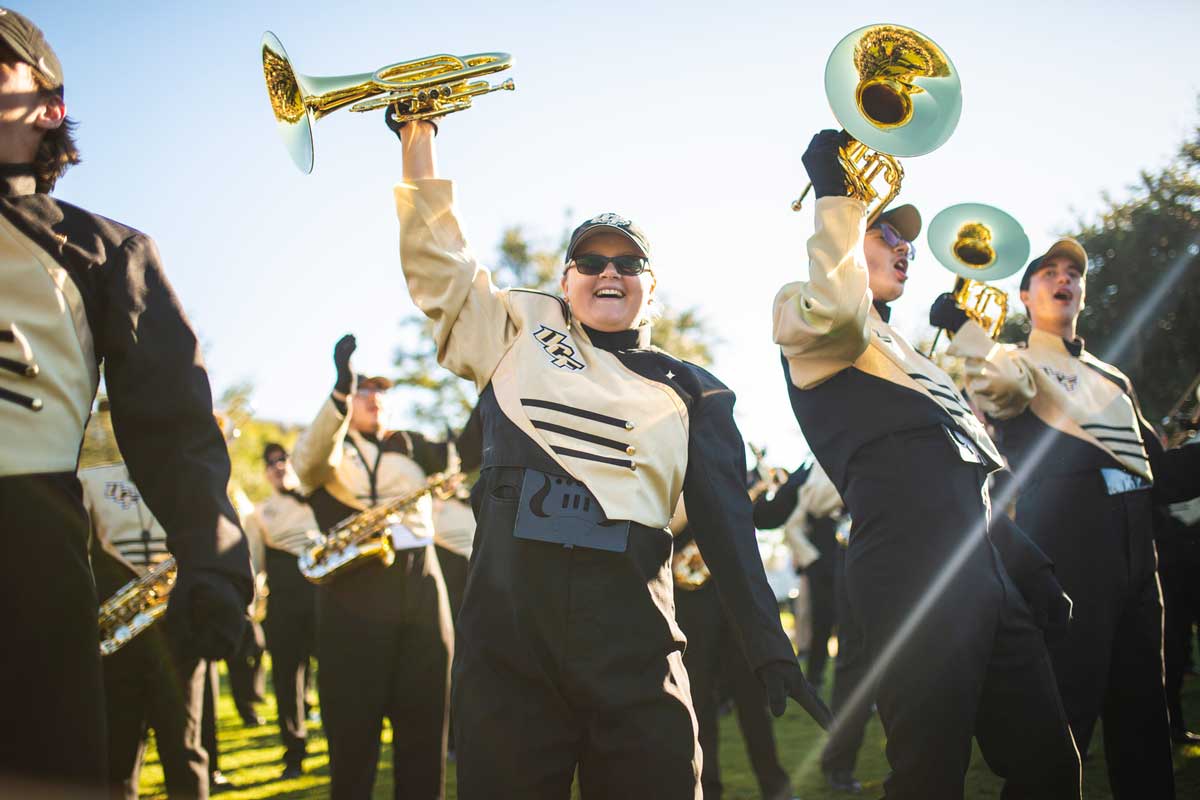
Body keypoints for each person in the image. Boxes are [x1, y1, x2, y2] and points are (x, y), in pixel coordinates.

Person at [393, 114, 829, 800]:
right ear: (566, 280)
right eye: (591, 263)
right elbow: (441, 264)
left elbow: (725, 524)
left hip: (633, 640)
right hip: (510, 640)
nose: (609, 273)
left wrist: (768, 643)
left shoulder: (696, 390)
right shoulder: (516, 329)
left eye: (628, 265)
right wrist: (418, 139)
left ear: (650, 288)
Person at [771, 129, 1080, 799]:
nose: (903, 245)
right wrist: (835, 195)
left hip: (985, 569)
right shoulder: (807, 309)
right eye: (884, 232)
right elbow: (840, 313)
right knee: (928, 778)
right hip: (911, 570)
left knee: (1052, 768)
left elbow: (967, 473)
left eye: (904, 238)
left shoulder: (910, 354)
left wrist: (1027, 565)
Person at [0, 9, 252, 793]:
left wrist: (215, 566)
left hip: (24, 561)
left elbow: (175, 431)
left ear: (46, 108)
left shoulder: (105, 252)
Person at [935, 237, 1200, 797]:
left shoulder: (1113, 377)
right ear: (1026, 296)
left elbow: (1160, 472)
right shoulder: (1016, 358)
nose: (1065, 279)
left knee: (1144, 718)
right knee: (1063, 723)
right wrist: (965, 328)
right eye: (1049, 272)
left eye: (1074, 273)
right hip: (1069, 548)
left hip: (1138, 553)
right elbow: (999, 388)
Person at [292, 344, 466, 799]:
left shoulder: (412, 446)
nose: (373, 398)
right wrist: (339, 392)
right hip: (352, 591)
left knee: (425, 728)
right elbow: (308, 464)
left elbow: (459, 460)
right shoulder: (329, 447)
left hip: (420, 582)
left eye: (379, 391)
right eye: (362, 391)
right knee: (352, 735)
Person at [81, 440, 212, 800]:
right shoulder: (90, 478)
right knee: (118, 755)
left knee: (184, 749)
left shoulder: (189, 478)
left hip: (178, 634)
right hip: (119, 629)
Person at [753, 460, 870, 794]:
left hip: (890, 539)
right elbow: (782, 516)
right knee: (847, 650)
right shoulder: (815, 464)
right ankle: (840, 762)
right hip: (839, 552)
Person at [670, 498, 798, 800]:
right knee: (698, 703)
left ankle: (775, 787)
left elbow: (765, 516)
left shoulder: (731, 460)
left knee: (754, 701)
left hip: (735, 602)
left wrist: (790, 489)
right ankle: (707, 790)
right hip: (690, 599)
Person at [244, 442, 322, 779]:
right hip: (283, 609)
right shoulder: (259, 513)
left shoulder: (317, 499)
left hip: (322, 600)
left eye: (283, 459)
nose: (278, 466)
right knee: (287, 685)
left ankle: (340, 749)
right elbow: (254, 566)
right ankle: (294, 755)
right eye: (271, 462)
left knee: (337, 679)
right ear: (266, 473)